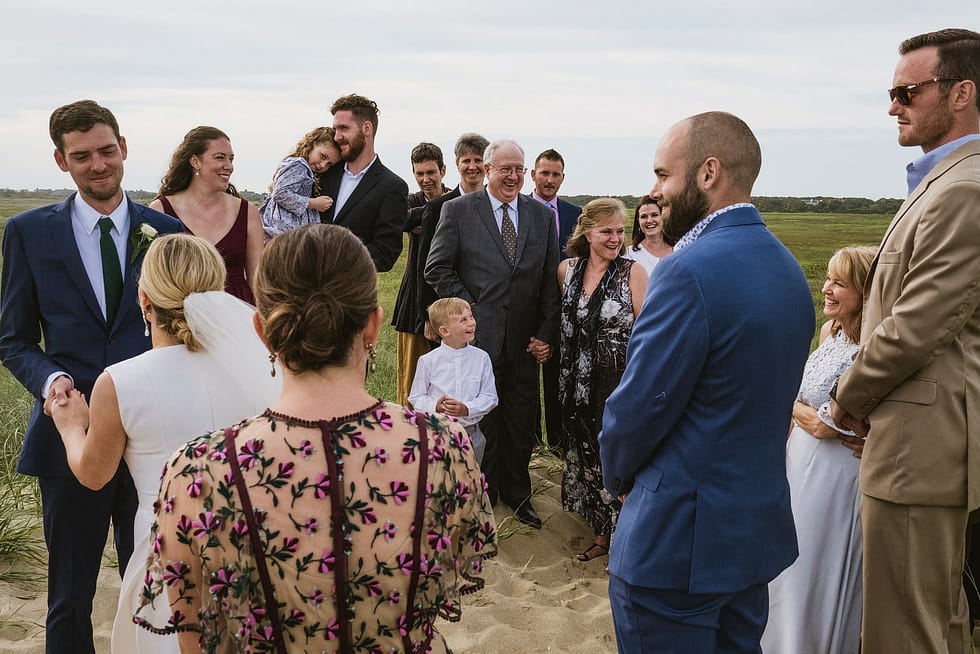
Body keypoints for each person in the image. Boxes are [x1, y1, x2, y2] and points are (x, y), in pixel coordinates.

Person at [133, 224, 497, 653]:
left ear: (262, 331)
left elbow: (196, 639)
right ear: (373, 325)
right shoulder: (445, 447)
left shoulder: (196, 470)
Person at [599, 111, 814, 653]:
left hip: (675, 543)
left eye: (662, 175)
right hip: (750, 538)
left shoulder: (685, 271)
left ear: (707, 173)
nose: (654, 191)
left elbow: (637, 410)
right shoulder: (787, 267)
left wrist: (619, 477)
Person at [0, 99, 182, 654]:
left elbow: (181, 329)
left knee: (151, 590)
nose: (98, 164)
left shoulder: (166, 231)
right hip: (69, 435)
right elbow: (13, 338)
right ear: (62, 161)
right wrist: (51, 382)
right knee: (69, 595)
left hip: (151, 438)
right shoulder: (28, 232)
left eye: (107, 151)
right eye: (82, 156)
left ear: (123, 148)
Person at [50, 233, 279, 654]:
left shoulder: (120, 381)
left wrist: (70, 425)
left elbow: (95, 474)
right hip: (248, 542)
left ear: (144, 299)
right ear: (218, 293)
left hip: (165, 541)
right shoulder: (260, 368)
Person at [830, 28, 980, 654]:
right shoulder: (942, 182)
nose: (893, 106)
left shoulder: (963, 190)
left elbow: (915, 327)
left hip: (919, 453)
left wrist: (847, 397)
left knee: (901, 632)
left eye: (907, 92)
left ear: (962, 93)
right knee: (933, 623)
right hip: (916, 442)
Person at [426, 139, 561, 529]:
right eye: (505, 169)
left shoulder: (540, 216)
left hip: (522, 342)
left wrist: (544, 332)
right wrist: (471, 314)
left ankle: (519, 496)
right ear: (487, 170)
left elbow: (549, 282)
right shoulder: (458, 211)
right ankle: (478, 496)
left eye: (519, 169)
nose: (514, 176)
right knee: (481, 424)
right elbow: (437, 268)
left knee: (520, 422)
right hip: (476, 343)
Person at [762, 246, 875, 654]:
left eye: (839, 283)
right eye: (827, 278)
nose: (826, 289)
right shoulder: (830, 333)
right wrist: (799, 409)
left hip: (837, 472)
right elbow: (808, 410)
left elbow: (827, 426)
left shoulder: (871, 347)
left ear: (865, 292)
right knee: (786, 562)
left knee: (815, 564)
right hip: (798, 462)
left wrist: (800, 410)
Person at [556, 198, 647, 562]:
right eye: (607, 231)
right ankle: (600, 536)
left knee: (616, 460)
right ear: (587, 232)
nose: (615, 238)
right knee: (584, 456)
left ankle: (625, 544)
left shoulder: (633, 272)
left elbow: (648, 332)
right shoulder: (567, 270)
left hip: (617, 383)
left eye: (621, 231)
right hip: (574, 381)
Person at [150, 126, 264, 304]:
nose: (229, 166)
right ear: (195, 161)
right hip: (183, 320)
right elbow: (155, 282)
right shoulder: (160, 211)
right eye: (220, 157)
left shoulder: (248, 213)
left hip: (238, 319)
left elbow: (257, 283)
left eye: (231, 159)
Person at [316, 93, 408, 272]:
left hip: (351, 295)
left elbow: (385, 254)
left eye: (344, 128)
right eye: (335, 129)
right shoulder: (323, 172)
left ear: (367, 128)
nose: (336, 137)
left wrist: (331, 256)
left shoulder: (392, 187)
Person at [529, 148, 582, 453]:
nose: (549, 179)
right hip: (524, 308)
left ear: (563, 177)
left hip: (564, 311)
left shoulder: (576, 214)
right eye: (544, 173)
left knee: (558, 381)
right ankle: (533, 444)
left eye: (555, 174)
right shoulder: (519, 208)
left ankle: (559, 446)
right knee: (525, 383)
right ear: (533, 175)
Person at [415, 133, 490, 342]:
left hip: (486, 307)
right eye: (466, 160)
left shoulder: (496, 207)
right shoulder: (437, 207)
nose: (472, 166)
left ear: (488, 165)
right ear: (457, 165)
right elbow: (426, 266)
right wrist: (428, 316)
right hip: (448, 311)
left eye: (478, 160)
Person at [393, 142, 449, 405]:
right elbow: (399, 220)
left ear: (443, 170)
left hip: (447, 293)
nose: (425, 179)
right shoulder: (410, 202)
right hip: (413, 296)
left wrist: (423, 220)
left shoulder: (456, 201)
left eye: (431, 172)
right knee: (412, 378)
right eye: (419, 174)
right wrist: (432, 213)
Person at [409, 297, 497, 465]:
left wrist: (467, 409)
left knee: (470, 480)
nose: (471, 323)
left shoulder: (481, 358)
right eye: (463, 320)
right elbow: (416, 397)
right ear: (445, 330)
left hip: (471, 434)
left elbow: (490, 396)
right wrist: (436, 406)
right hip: (438, 433)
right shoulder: (428, 361)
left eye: (471, 316)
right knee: (440, 481)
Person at [259, 126, 341, 241]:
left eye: (329, 164)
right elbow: (280, 194)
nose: (323, 165)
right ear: (311, 144)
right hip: (282, 232)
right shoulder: (299, 165)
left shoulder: (304, 168)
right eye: (323, 156)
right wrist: (314, 203)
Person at [623, 195, 673, 275]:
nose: (649, 220)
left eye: (654, 215)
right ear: (638, 221)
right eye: (644, 217)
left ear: (664, 217)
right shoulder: (629, 255)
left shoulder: (679, 250)